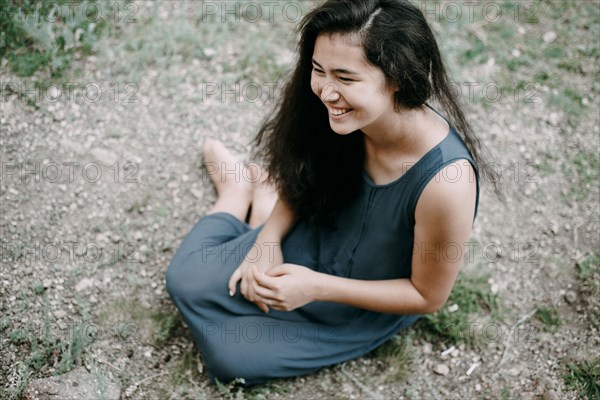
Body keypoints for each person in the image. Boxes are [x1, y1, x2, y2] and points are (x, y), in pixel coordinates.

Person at [166, 0, 496, 386]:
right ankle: (238, 194)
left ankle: (254, 202)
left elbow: (427, 296)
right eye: (318, 70)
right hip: (312, 236)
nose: (325, 90)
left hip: (357, 300)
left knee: (232, 358)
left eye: (345, 77)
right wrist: (268, 241)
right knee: (183, 280)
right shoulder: (342, 114)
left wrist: (315, 287)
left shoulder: (446, 183)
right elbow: (305, 180)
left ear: (398, 77)